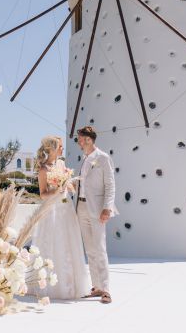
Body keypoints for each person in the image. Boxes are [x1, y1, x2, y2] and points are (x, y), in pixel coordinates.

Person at [31, 135, 90, 300]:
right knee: (54, 242)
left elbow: (68, 184)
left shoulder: (61, 163)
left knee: (69, 241)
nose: (63, 149)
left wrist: (69, 186)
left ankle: (72, 284)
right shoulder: (43, 169)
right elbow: (42, 194)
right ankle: (54, 286)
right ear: (51, 149)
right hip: (52, 210)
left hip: (65, 207)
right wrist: (57, 189)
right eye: (60, 147)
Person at [75, 126, 118, 304]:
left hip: (98, 209)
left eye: (80, 139)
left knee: (100, 248)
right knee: (90, 250)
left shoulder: (102, 157)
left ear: (89, 140)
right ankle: (96, 286)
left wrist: (107, 207)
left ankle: (106, 289)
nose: (78, 142)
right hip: (81, 207)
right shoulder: (85, 159)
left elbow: (110, 184)